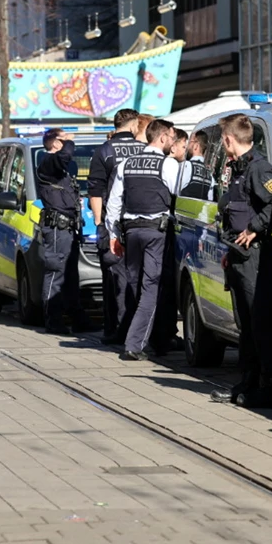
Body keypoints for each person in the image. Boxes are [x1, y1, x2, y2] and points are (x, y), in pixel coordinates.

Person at [216, 113, 272, 408]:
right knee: (246, 324)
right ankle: (247, 382)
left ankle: (269, 390)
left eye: (222, 139)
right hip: (239, 257)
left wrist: (255, 229)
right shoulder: (240, 169)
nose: (222, 144)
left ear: (229, 139)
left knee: (261, 324)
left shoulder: (260, 169)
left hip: (256, 258)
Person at [105, 118, 180, 361]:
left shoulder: (127, 164)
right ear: (161, 138)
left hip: (131, 232)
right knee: (150, 288)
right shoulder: (167, 164)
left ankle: (154, 339)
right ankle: (135, 344)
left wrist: (114, 235)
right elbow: (178, 194)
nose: (173, 141)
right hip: (155, 232)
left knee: (137, 287)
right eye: (171, 136)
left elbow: (114, 203)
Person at [87, 109, 145, 345]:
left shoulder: (104, 151)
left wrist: (100, 224)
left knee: (112, 280)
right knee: (140, 278)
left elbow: (95, 191)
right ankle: (137, 329)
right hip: (140, 222)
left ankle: (114, 330)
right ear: (134, 126)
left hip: (113, 225)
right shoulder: (144, 150)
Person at [36, 128, 92, 334]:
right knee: (56, 271)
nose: (69, 142)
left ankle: (77, 317)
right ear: (55, 143)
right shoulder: (48, 162)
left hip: (69, 227)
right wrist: (69, 141)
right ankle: (53, 320)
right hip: (57, 227)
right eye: (64, 139)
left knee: (70, 274)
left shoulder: (60, 168)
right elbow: (65, 156)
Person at [152, 127, 190, 355]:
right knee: (165, 284)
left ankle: (163, 334)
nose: (185, 151)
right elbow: (179, 192)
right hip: (164, 231)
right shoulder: (171, 165)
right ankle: (163, 335)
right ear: (172, 145)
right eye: (183, 146)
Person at [179, 131, 215, 201]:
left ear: (196, 146)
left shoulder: (186, 166)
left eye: (190, 141)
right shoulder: (209, 175)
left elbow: (174, 191)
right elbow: (210, 199)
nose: (187, 146)